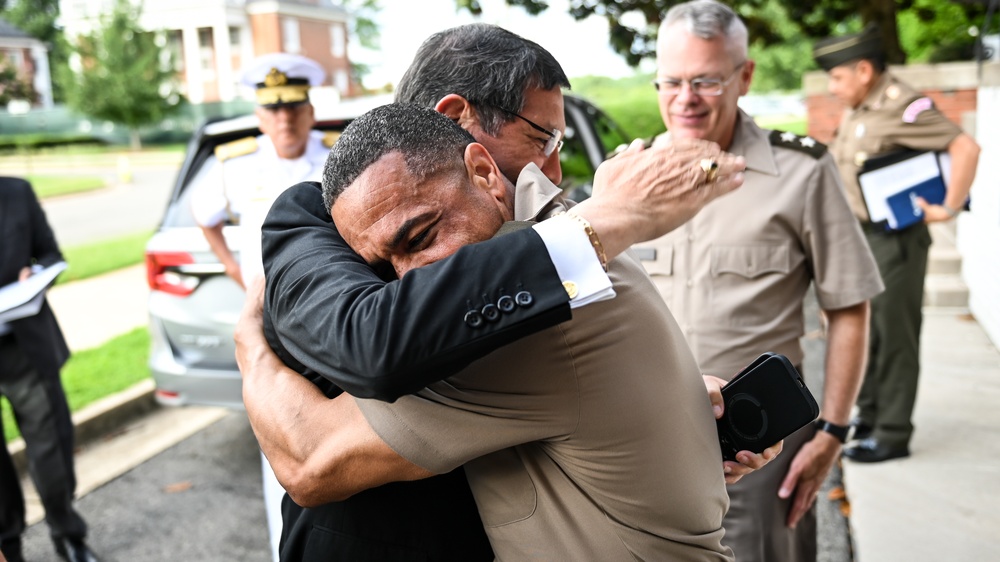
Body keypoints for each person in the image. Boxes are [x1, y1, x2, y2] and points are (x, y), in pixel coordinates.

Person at [241, 24, 754, 560]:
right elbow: (370, 348)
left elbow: (565, 362)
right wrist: (248, 345)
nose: (552, 170)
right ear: (456, 121)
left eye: (558, 144)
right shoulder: (317, 224)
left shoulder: (557, 274)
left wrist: (663, 402)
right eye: (541, 139)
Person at [630, 2, 885, 560]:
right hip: (642, 444)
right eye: (670, 81)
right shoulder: (630, 178)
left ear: (744, 76)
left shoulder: (802, 172)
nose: (685, 98)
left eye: (706, 81)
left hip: (759, 447)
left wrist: (833, 435)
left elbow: (848, 308)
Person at [188, 52, 332, 561]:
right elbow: (202, 215)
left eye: (294, 107)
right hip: (270, 327)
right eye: (273, 110)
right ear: (260, 115)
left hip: (333, 316)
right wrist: (232, 267)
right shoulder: (235, 165)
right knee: (280, 445)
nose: (284, 119)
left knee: (335, 444)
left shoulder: (338, 157)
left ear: (311, 110)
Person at [813, 26, 981, 463]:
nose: (832, 87)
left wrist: (947, 206)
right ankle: (868, 416)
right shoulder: (862, 105)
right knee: (866, 330)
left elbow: (965, 148)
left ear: (864, 70)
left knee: (894, 335)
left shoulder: (904, 106)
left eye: (837, 78)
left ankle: (892, 432)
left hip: (895, 239)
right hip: (861, 234)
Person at [0, 178, 99, 562]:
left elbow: (51, 254)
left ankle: (67, 534)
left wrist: (36, 272)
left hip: (24, 345)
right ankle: (9, 546)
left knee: (51, 450)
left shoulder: (16, 192)